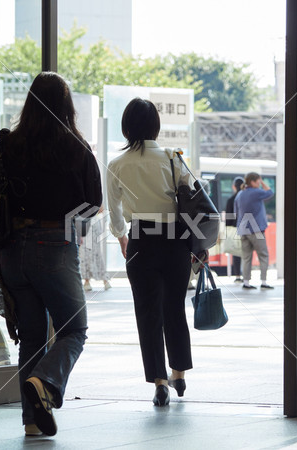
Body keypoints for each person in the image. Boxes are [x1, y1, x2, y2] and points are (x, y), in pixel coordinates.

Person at [0, 72, 102, 436]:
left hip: (12, 252)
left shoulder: (7, 146)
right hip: (54, 246)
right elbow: (93, 203)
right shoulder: (75, 147)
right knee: (75, 330)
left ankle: (31, 423)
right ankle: (44, 380)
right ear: (66, 105)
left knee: (33, 336)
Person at [107, 98, 204, 406]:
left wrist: (122, 237)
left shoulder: (116, 164)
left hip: (141, 240)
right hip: (175, 240)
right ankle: (179, 374)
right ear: (155, 126)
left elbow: (114, 211)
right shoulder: (172, 157)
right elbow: (192, 196)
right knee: (174, 307)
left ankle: (159, 382)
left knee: (147, 313)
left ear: (126, 127)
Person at [234, 172, 274, 290]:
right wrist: (262, 182)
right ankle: (264, 281)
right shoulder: (256, 192)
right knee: (263, 255)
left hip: (243, 229)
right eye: (257, 181)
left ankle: (246, 282)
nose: (259, 183)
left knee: (246, 257)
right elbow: (270, 192)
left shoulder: (240, 194)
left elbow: (236, 212)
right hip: (256, 230)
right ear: (252, 182)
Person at [79, 206, 112, 292]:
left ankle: (87, 281)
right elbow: (101, 209)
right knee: (94, 252)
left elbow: (101, 209)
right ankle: (104, 281)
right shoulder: (94, 194)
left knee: (86, 253)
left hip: (87, 224)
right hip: (92, 223)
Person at [225, 176, 244, 282]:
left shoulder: (231, 200)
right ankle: (246, 277)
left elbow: (228, 217)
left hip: (234, 228)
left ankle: (237, 276)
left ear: (234, 187)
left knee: (236, 252)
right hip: (247, 228)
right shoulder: (246, 198)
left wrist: (228, 229)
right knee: (246, 252)